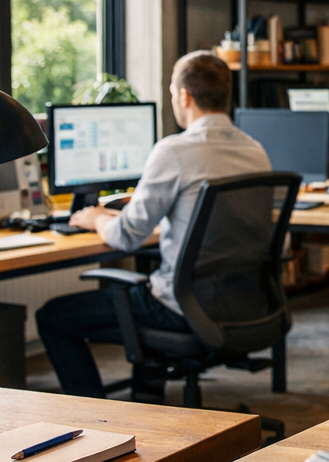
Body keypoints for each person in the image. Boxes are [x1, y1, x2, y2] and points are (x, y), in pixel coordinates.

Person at [36, 52, 271, 399]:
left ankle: (98, 420)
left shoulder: (174, 151)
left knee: (53, 317)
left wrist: (98, 217)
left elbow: (128, 236)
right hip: (244, 302)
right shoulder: (256, 152)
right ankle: (148, 405)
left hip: (185, 308)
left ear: (183, 97)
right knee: (148, 289)